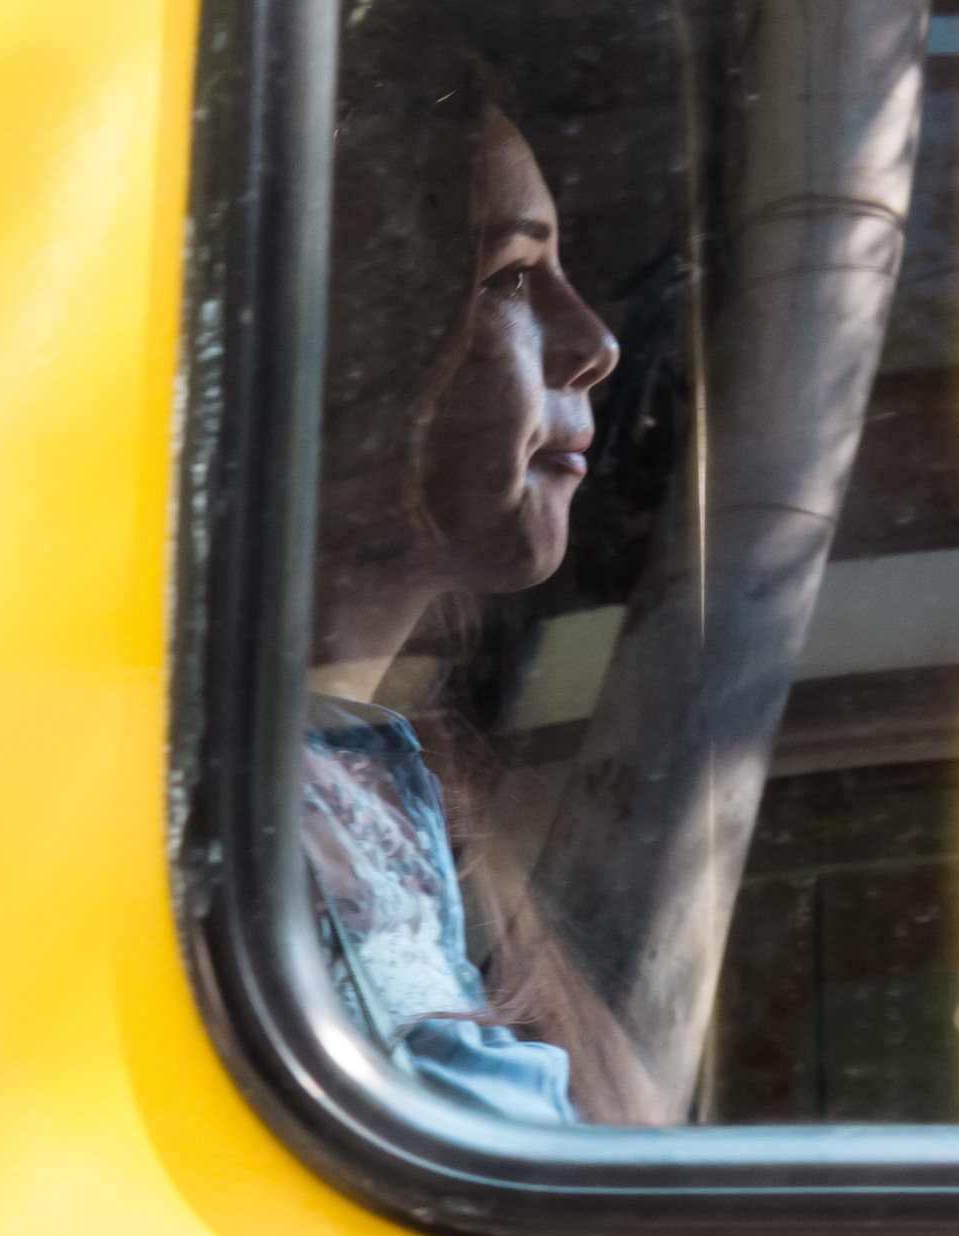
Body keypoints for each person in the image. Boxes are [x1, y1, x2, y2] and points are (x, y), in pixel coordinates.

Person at [300, 1, 652, 1125]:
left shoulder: (368, 784)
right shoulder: (246, 818)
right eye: (508, 277)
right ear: (339, 344)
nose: (595, 342)